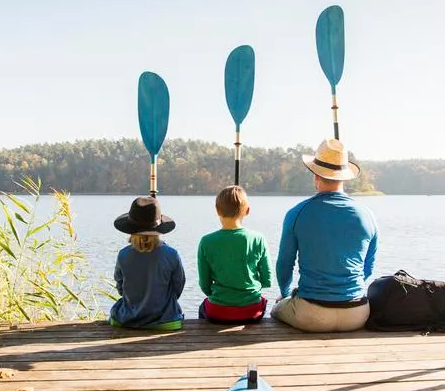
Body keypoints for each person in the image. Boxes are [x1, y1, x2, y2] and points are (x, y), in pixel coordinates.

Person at [273, 138, 378, 333]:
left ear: (315, 176)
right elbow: (368, 267)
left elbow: (284, 264)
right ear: (344, 177)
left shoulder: (297, 213)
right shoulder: (367, 215)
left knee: (276, 309)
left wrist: (286, 294)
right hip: (357, 313)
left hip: (311, 315)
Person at [196, 185, 273, 323]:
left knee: (203, 308)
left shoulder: (206, 241)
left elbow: (204, 284)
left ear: (217, 210)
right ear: (247, 211)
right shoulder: (258, 238)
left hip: (218, 311)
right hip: (252, 311)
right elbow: (267, 280)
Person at [109, 196, 186, 331]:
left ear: (130, 228)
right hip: (166, 321)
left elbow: (121, 288)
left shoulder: (123, 255)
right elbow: (178, 286)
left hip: (128, 319)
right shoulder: (171, 254)